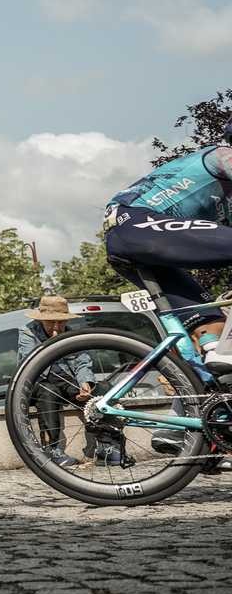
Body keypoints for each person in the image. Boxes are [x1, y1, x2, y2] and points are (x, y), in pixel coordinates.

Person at [103, 124, 232, 362]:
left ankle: (209, 382)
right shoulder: (222, 156)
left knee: (212, 323)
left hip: (136, 241)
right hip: (135, 223)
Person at [15, 295, 94, 467]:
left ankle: (107, 445)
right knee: (49, 390)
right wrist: (53, 344)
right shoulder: (27, 332)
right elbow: (32, 365)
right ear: (42, 320)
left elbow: (82, 361)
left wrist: (85, 383)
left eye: (61, 322)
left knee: (100, 391)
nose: (56, 327)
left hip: (66, 381)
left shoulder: (71, 334)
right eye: (51, 322)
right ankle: (52, 449)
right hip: (37, 382)